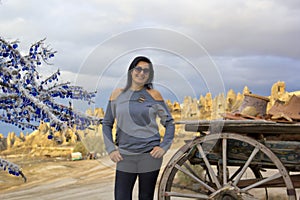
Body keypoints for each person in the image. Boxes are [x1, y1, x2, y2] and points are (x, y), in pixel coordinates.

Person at [102, 56, 175, 200]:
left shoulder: (154, 95)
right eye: (138, 69)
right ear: (131, 71)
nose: (142, 73)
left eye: (146, 71)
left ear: (149, 75)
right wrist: (111, 149)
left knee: (146, 197)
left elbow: (169, 123)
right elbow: (107, 124)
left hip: (149, 156)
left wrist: (163, 147)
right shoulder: (117, 94)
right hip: (125, 156)